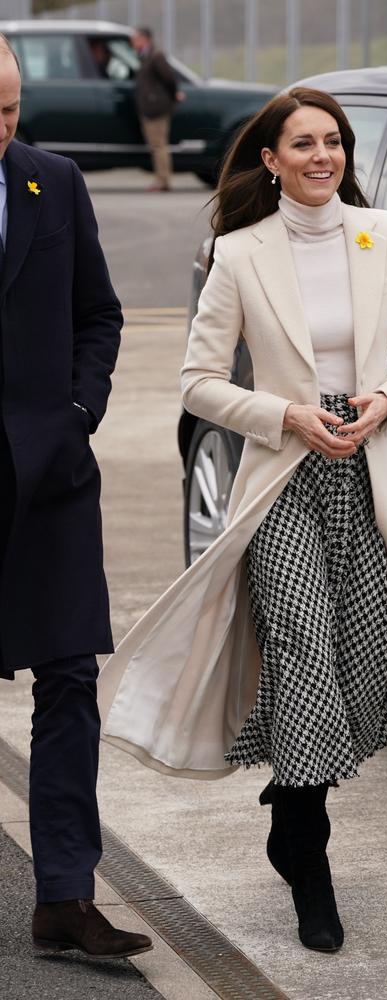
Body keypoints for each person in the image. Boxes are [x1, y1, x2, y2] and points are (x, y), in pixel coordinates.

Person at [98, 88, 387, 954]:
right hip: (283, 477)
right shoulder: (239, 255)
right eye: (303, 144)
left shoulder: (385, 235)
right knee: (302, 645)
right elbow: (200, 382)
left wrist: (384, 403)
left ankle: (289, 800)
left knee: (360, 661)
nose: (323, 157)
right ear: (271, 160)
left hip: (370, 472)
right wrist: (285, 415)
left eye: (334, 143)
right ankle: (309, 865)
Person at [0, 36, 152, 960]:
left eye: (10, 110)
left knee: (68, 684)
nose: (2, 130)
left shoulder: (54, 182)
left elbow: (100, 313)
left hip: (51, 478)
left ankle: (63, 898)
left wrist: (79, 409)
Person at [131, 26, 184, 192]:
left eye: (135, 39)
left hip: (156, 108)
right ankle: (161, 178)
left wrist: (175, 94)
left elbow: (169, 78)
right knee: (156, 145)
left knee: (159, 145)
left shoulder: (156, 55)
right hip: (149, 108)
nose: (132, 42)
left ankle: (163, 180)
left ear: (145, 39)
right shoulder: (144, 56)